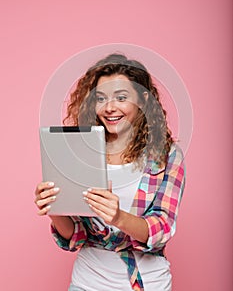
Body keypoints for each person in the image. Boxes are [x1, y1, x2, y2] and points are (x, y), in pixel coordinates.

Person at [35, 53, 185, 291]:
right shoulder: (81, 150)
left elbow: (161, 229)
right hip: (87, 283)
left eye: (121, 97)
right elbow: (77, 236)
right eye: (101, 98)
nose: (109, 107)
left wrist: (118, 218)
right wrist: (55, 210)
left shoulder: (166, 155)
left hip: (149, 284)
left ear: (144, 101)